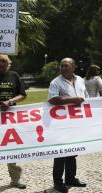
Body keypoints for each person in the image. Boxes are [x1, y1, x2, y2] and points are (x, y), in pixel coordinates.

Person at [0, 54, 27, 190]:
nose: (1, 63)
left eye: (4, 61)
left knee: (11, 148)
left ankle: (15, 179)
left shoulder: (14, 76)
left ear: (8, 63)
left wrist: (10, 101)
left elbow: (23, 95)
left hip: (11, 119)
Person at [48, 58, 88, 193]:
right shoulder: (55, 82)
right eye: (61, 66)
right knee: (61, 153)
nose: (63, 68)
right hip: (62, 124)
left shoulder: (81, 80)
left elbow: (86, 98)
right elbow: (53, 99)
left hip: (77, 123)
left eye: (66, 66)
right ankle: (58, 183)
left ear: (74, 67)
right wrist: (73, 100)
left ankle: (71, 179)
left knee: (72, 152)